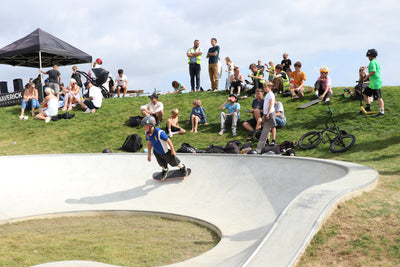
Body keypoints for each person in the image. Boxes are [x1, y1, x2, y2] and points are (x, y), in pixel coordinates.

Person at [142, 115, 188, 181]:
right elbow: (149, 143)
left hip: (165, 151)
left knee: (175, 163)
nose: (144, 127)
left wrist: (173, 150)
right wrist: (149, 155)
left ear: (151, 125)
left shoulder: (160, 133)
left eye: (145, 126)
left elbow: (169, 141)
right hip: (156, 151)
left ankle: (183, 167)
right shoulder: (147, 133)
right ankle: (165, 170)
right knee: (161, 163)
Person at [363, 49, 385, 116]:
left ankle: (382, 111)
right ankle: (368, 107)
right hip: (373, 83)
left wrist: (366, 77)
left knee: (379, 97)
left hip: (376, 82)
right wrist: (368, 67)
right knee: (365, 93)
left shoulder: (372, 62)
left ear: (371, 56)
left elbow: (373, 71)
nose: (368, 58)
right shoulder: (375, 61)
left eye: (368, 56)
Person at [262, 81, 277, 146]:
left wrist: (268, 114)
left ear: (269, 87)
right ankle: (267, 140)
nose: (264, 88)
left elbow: (271, 104)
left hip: (270, 112)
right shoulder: (267, 95)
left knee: (272, 126)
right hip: (266, 113)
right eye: (264, 87)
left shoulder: (271, 94)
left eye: (265, 87)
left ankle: (273, 140)